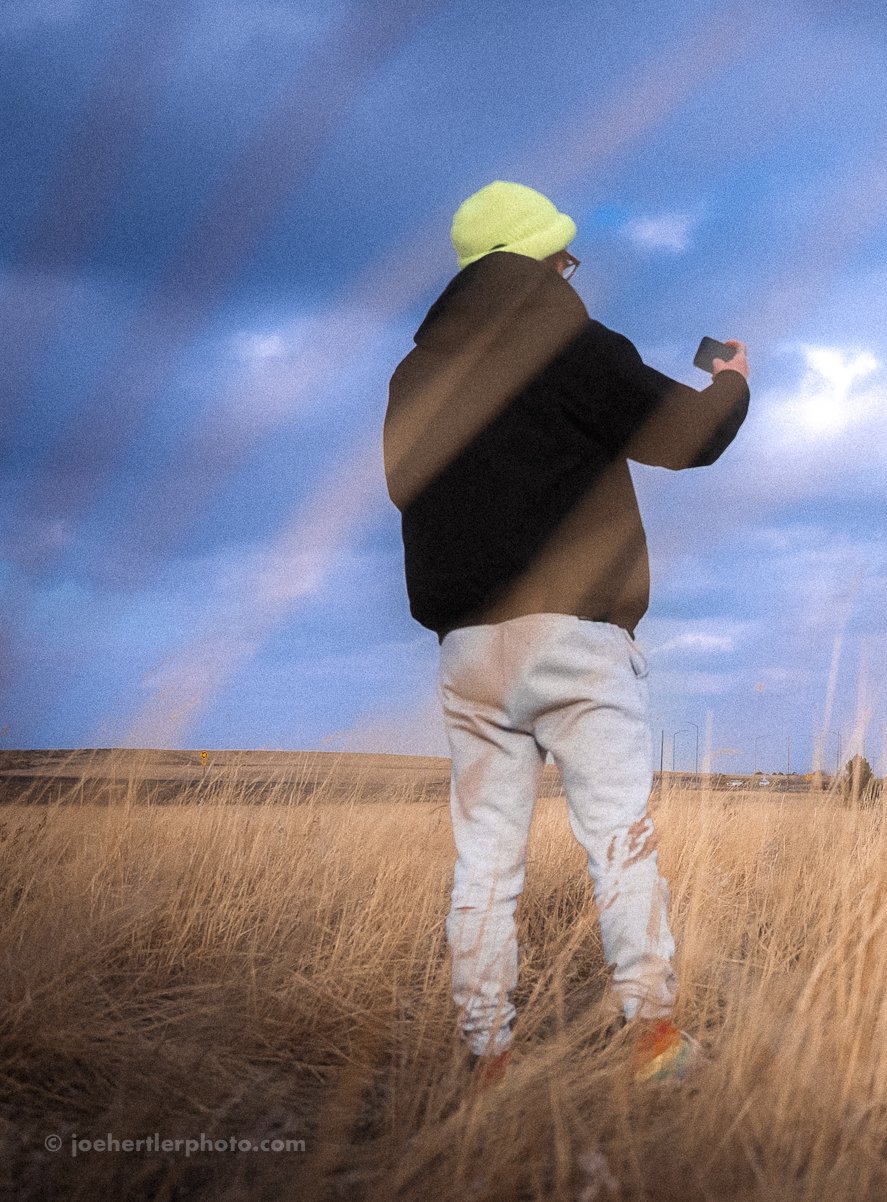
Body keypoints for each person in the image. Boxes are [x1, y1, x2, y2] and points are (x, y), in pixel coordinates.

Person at [384, 180, 749, 1083]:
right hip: (576, 638)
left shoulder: (412, 374)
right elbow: (686, 438)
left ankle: (487, 1059)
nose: (569, 269)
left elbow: (403, 487)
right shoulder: (568, 342)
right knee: (619, 840)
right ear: (546, 258)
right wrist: (731, 383)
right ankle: (655, 1046)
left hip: (467, 650)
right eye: (565, 256)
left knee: (485, 863)